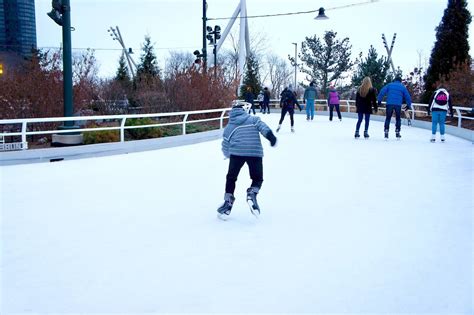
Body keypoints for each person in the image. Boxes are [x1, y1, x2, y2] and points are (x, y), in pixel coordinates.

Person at [217, 102, 277, 220]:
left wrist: (228, 154)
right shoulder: (253, 119)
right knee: (257, 178)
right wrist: (271, 137)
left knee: (231, 178)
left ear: (232, 114)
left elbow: (225, 143)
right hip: (254, 152)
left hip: (236, 153)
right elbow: (263, 127)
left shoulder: (230, 126)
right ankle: (252, 193)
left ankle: (228, 203)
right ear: (243, 111)